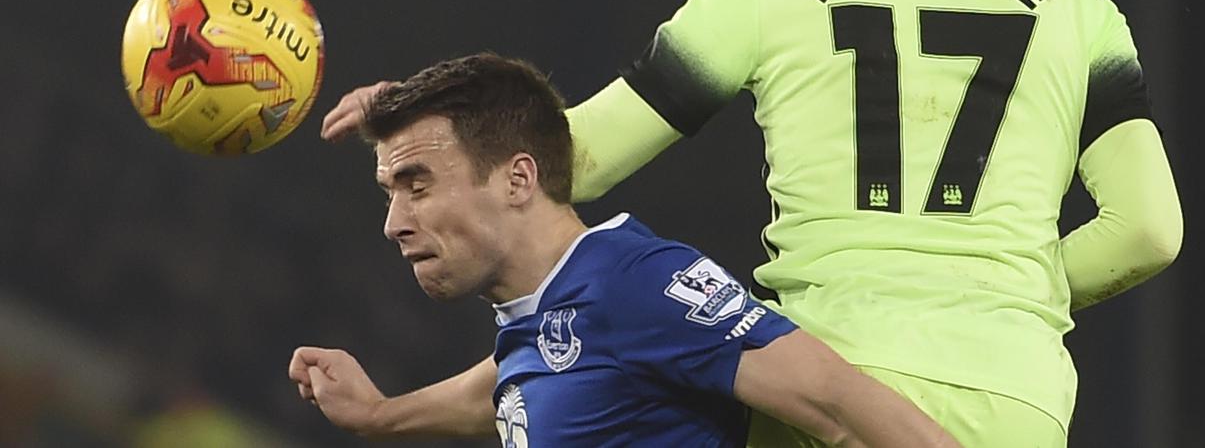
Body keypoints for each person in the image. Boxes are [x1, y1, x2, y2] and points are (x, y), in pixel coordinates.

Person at [317, 0, 1183, 446]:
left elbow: (570, 164)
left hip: (833, 378)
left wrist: (422, 115)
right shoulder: (1078, 6)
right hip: (1020, 393)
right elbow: (1148, 232)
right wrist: (1003, 290)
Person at [289, 53, 958, 448]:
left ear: (518, 180)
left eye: (418, 185)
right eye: (390, 192)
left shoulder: (639, 284)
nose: (394, 223)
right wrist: (381, 415)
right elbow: (507, 384)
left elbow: (840, 404)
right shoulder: (542, 318)